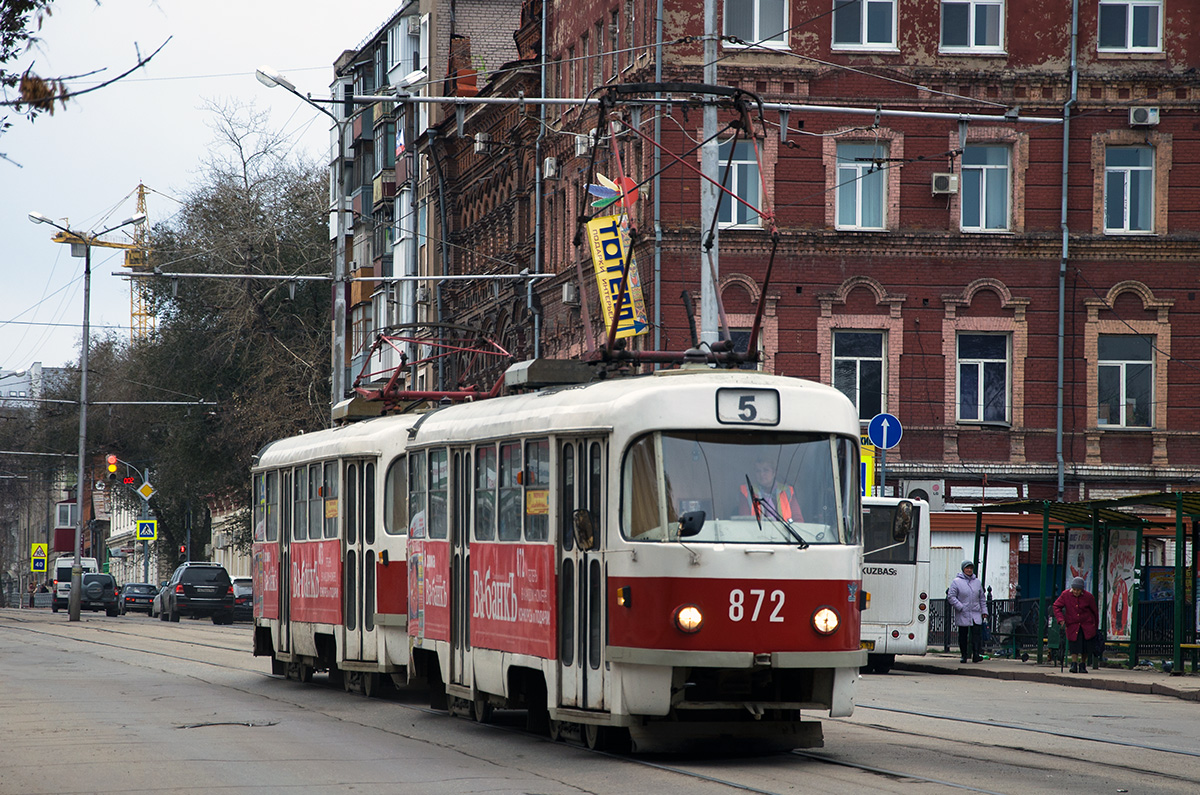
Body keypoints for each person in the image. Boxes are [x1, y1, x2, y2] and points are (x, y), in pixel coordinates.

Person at [1053, 576, 1100, 674]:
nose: (1076, 592)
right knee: (1074, 644)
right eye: (1074, 589)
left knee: (1085, 646)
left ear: (1082, 589)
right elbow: (1056, 606)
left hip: (1086, 624)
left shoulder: (1088, 597)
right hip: (1072, 624)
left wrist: (1095, 626)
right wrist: (1061, 619)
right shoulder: (1065, 595)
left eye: (1078, 590)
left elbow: (1094, 612)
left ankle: (1083, 664)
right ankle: (1074, 664)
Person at [947, 560, 988, 663]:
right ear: (963, 569)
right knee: (963, 635)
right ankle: (964, 655)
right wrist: (960, 607)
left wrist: (984, 611)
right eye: (967, 568)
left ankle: (976, 654)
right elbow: (951, 596)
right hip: (963, 612)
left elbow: (982, 598)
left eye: (970, 568)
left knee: (976, 635)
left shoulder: (977, 582)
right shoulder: (956, 582)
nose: (969, 570)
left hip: (975, 612)